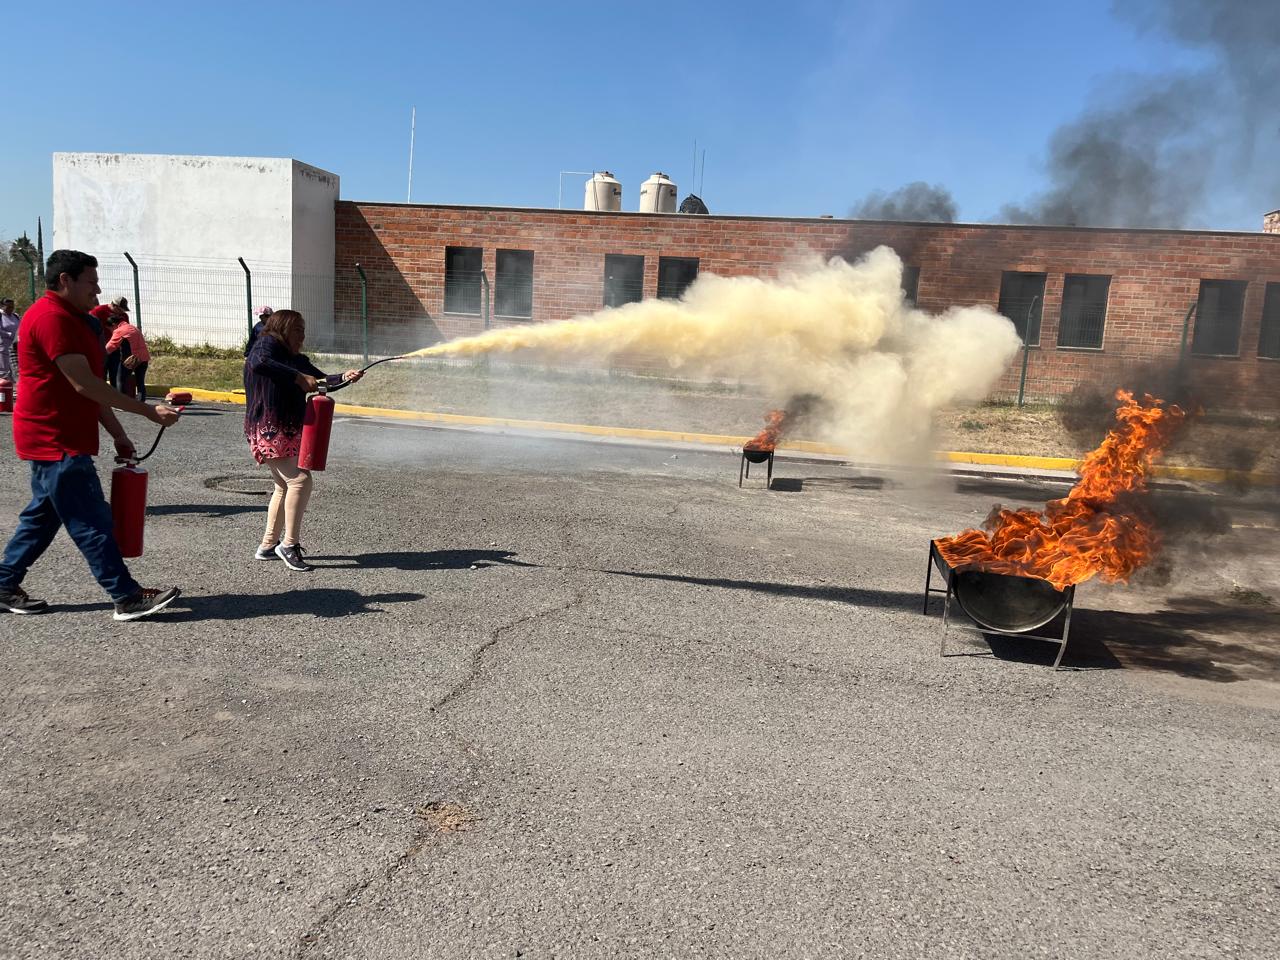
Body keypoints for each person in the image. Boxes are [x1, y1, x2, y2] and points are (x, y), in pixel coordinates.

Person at [0, 250, 183, 620]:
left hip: (60, 437)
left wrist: (119, 435)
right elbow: (84, 384)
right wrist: (148, 412)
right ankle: (126, 596)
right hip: (54, 439)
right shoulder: (51, 318)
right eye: (91, 282)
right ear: (64, 280)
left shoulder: (75, 319)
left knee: (42, 519)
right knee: (91, 519)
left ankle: (3, 584)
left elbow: (92, 388)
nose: (97, 291)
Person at [243, 309, 362, 571]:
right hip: (269, 427)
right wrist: (297, 377)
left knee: (283, 486)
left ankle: (268, 545)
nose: (302, 336)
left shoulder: (293, 357)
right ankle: (289, 545)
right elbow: (258, 362)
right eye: (298, 330)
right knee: (299, 481)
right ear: (283, 328)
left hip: (283, 428)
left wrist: (345, 377)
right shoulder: (266, 344)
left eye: (304, 331)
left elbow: (319, 381)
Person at [103, 297, 149, 401]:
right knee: (140, 382)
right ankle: (141, 403)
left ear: (114, 325)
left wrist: (98, 354)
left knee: (120, 379)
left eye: (110, 329)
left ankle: (121, 403)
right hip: (144, 358)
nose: (111, 331)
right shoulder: (132, 327)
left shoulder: (119, 331)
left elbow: (110, 347)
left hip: (132, 359)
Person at [0, 298, 19, 383]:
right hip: (3, 348)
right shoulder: (0, 316)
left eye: (12, 307)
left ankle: (11, 388)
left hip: (14, 348)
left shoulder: (15, 316)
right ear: (2, 306)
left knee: (14, 370)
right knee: (4, 372)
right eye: (9, 307)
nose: (11, 309)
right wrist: (10, 334)